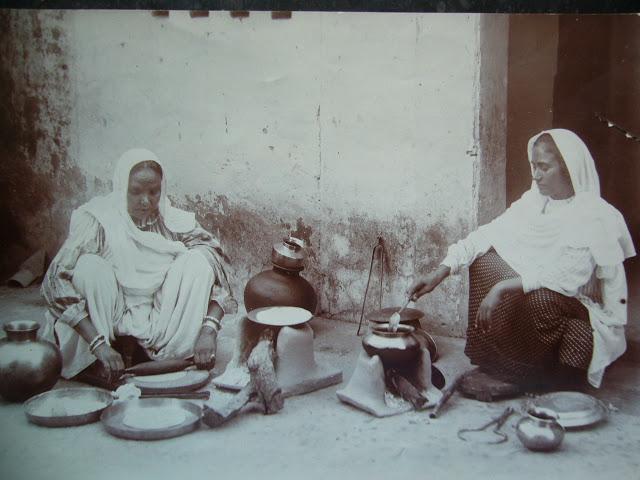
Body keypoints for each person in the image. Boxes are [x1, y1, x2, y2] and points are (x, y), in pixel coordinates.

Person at [408, 129, 635, 389]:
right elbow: (486, 234)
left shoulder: (595, 216)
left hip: (580, 305)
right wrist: (440, 272)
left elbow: (565, 276)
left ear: (567, 169)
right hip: (545, 290)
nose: (536, 175)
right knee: (484, 263)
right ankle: (504, 364)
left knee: (541, 299)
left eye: (544, 167)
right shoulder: (534, 202)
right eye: (533, 166)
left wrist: (501, 288)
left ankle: (534, 374)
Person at [42, 149, 235, 384]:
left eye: (153, 192)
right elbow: (55, 280)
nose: (145, 201)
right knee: (88, 267)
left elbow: (221, 272)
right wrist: (97, 343)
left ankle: (163, 354)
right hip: (108, 321)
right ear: (121, 186)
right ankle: (100, 357)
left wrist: (209, 330)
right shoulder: (99, 220)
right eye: (135, 191)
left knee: (198, 261)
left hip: (159, 323)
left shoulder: (174, 222)